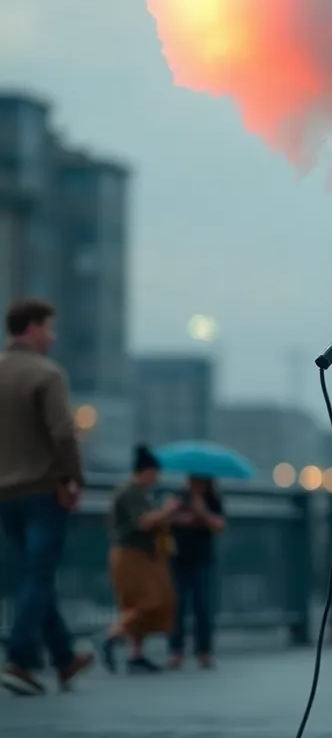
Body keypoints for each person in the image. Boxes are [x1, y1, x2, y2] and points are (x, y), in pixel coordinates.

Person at [0, 297, 94, 696]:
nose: (53, 337)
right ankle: (19, 659)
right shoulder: (47, 374)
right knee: (38, 576)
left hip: (4, 493)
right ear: (33, 328)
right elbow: (62, 432)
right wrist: (74, 478)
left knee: (34, 576)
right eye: (50, 328)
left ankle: (64, 658)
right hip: (42, 491)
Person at [101, 444, 179, 673]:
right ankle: (110, 635)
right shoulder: (130, 492)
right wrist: (167, 511)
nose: (156, 479)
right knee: (146, 601)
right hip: (130, 555)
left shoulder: (141, 493)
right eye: (154, 474)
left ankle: (136, 655)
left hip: (144, 555)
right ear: (145, 471)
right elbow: (144, 522)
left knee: (149, 602)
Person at [167, 475, 225, 669]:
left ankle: (204, 651)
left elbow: (219, 525)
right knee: (177, 607)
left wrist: (202, 513)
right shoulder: (178, 497)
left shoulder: (213, 499)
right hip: (178, 558)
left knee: (203, 606)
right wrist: (185, 517)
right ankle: (176, 651)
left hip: (203, 560)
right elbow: (168, 518)